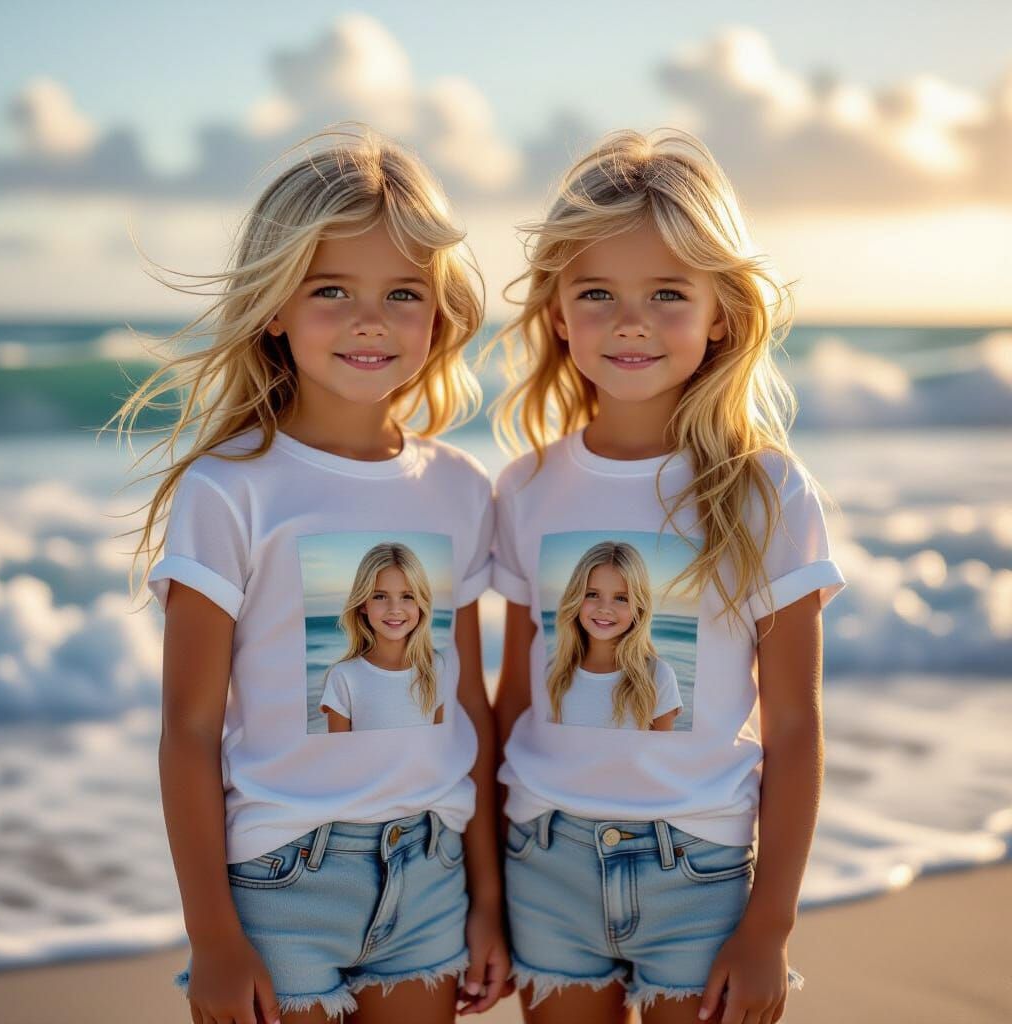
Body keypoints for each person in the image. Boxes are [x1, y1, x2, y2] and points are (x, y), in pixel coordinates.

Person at [113, 125, 509, 1023]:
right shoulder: (229, 490)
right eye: (331, 289)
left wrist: (488, 899)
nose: (370, 319)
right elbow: (187, 730)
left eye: (402, 293)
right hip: (280, 883)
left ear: (438, 315)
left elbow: (471, 709)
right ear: (275, 308)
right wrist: (213, 935)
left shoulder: (459, 488)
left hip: (431, 873)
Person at [486, 128, 846, 1024]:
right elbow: (508, 705)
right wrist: (482, 892)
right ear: (558, 312)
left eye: (668, 294)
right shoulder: (525, 487)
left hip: (703, 872)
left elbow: (796, 727)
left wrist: (770, 926)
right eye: (597, 292)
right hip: (543, 859)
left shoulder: (766, 490)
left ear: (722, 311)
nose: (631, 320)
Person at [546, 540, 682, 730]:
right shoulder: (552, 673)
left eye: (621, 598)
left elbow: (663, 755)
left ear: (639, 608)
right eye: (592, 594)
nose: (604, 609)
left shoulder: (658, 676)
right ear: (575, 598)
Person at [320, 542, 446, 732]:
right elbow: (338, 757)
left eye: (408, 596)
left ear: (421, 604)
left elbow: (440, 746)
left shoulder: (436, 667)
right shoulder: (343, 676)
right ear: (363, 604)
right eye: (380, 596)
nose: (395, 609)